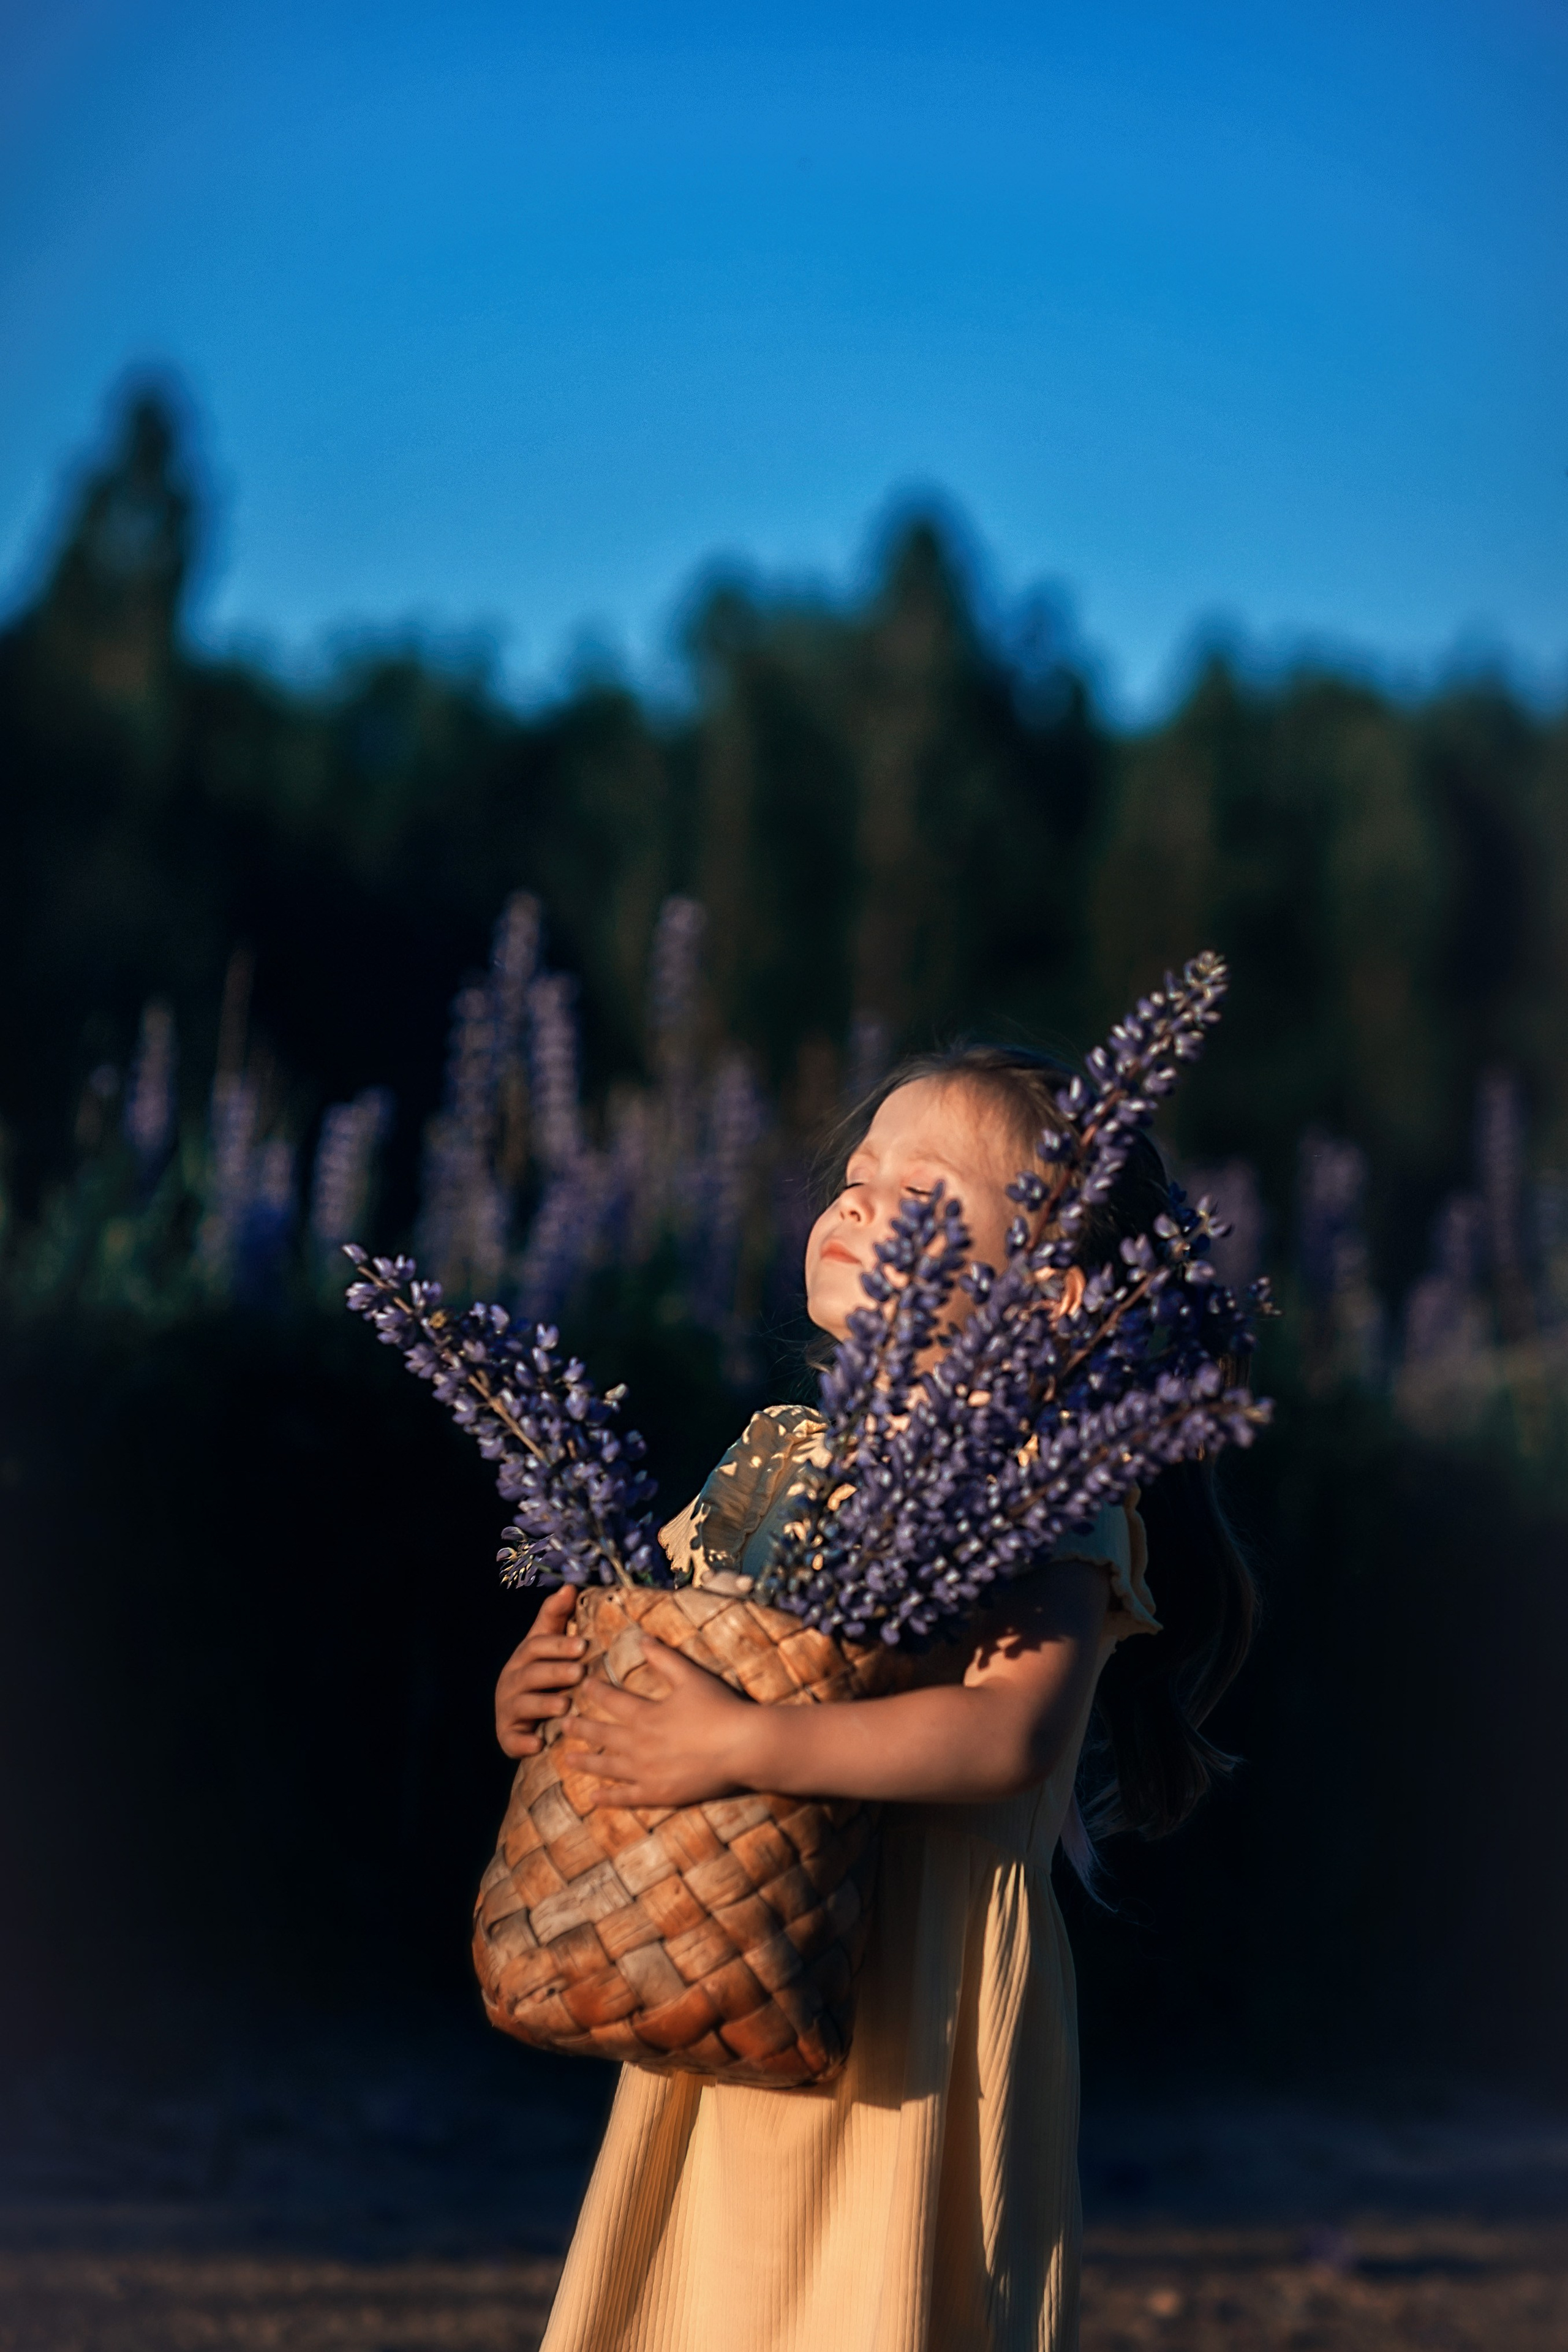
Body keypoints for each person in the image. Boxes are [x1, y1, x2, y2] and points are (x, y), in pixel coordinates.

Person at [494, 1045, 1256, 2352]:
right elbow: (659, 1647)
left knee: (876, 2305)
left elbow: (1007, 1735)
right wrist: (548, 1690)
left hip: (924, 1999)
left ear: (1053, 1296)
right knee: (709, 2301)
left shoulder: (1042, 1487)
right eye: (851, 1179)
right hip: (734, 1948)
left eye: (918, 1188)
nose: (855, 1204)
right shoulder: (776, 1458)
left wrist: (742, 1741)